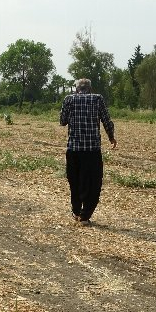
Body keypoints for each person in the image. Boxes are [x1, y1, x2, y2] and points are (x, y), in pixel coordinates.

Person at [59, 78, 117, 226]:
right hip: (92, 150)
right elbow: (106, 120)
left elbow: (62, 121)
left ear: (77, 89)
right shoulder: (98, 99)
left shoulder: (69, 99)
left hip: (74, 150)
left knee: (75, 182)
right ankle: (85, 216)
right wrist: (111, 137)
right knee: (93, 183)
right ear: (90, 89)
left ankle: (76, 211)